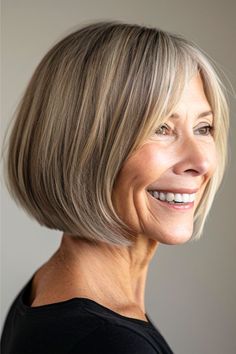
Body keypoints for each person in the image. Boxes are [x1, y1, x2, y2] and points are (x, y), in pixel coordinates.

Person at [1, 20, 229, 354]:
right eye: (161, 128)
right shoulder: (109, 342)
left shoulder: (48, 286)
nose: (202, 162)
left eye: (204, 127)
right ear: (83, 148)